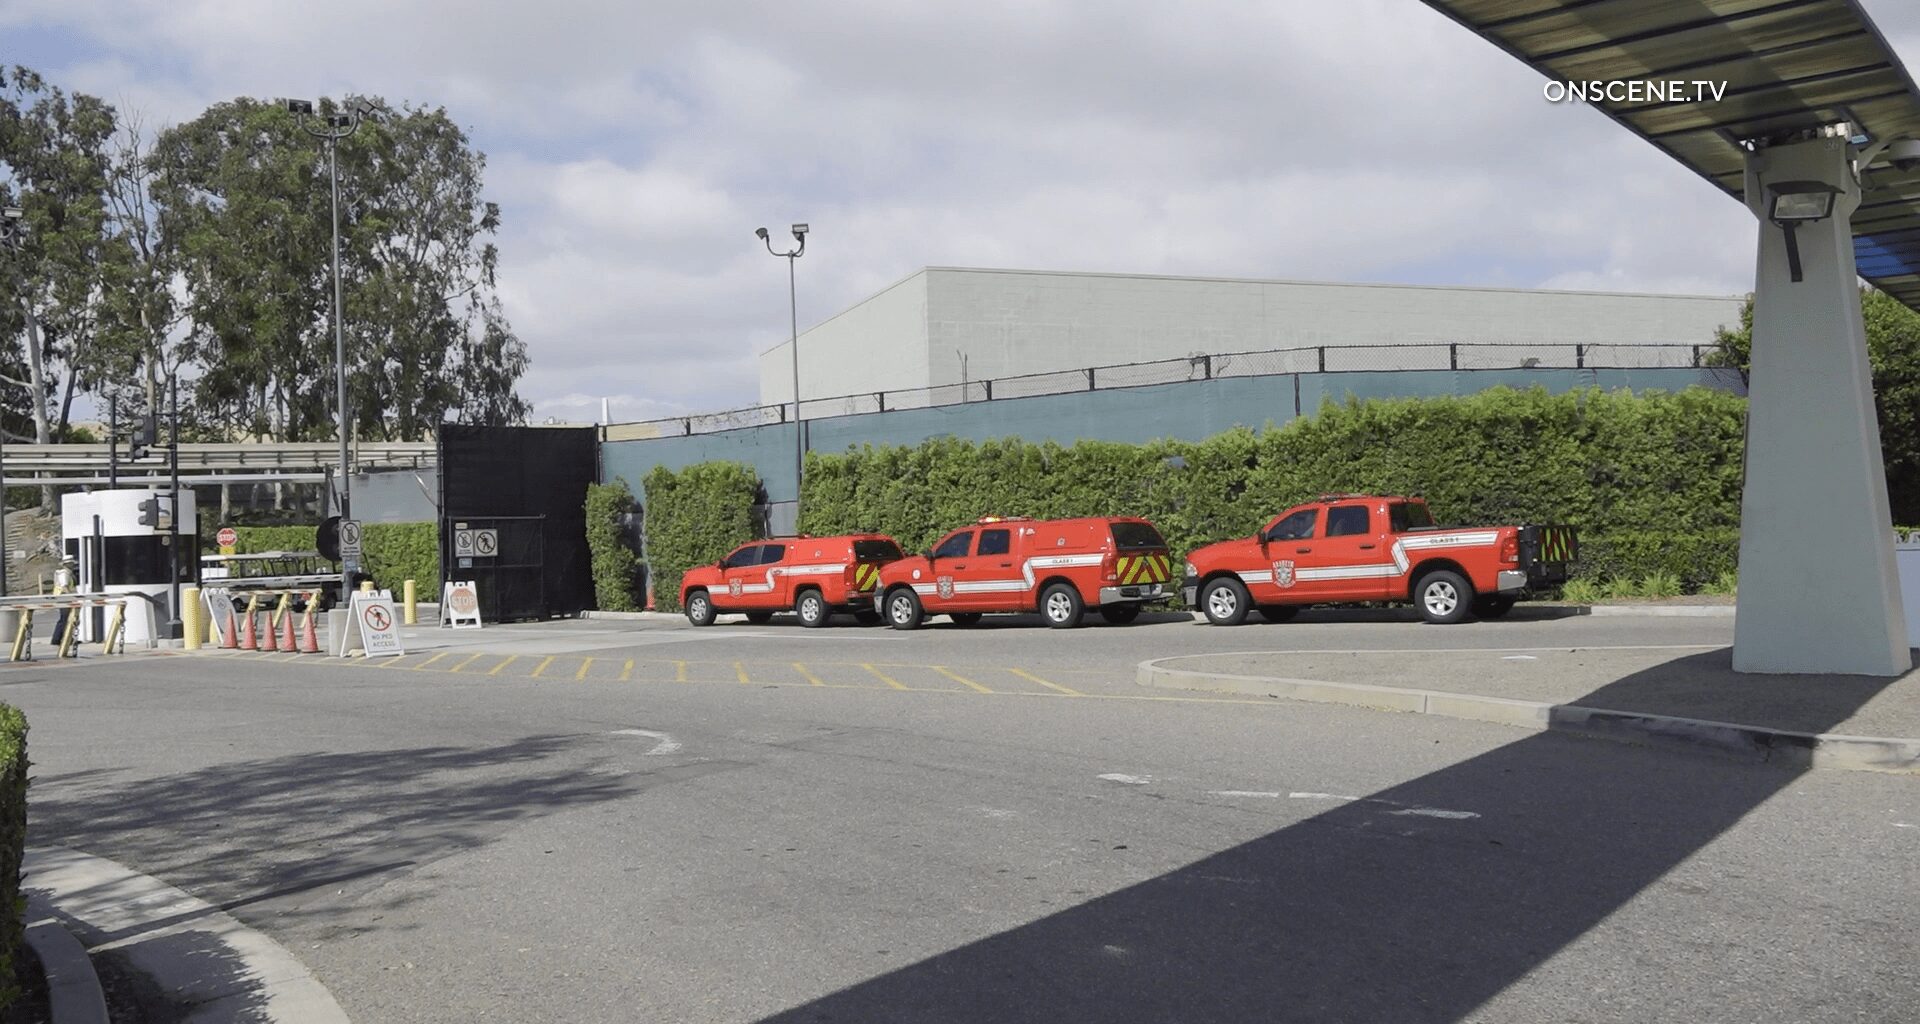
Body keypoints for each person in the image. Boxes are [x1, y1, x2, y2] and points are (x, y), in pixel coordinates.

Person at [51, 556, 76, 657]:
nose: (73, 564)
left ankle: (62, 638)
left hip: (63, 598)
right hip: (64, 598)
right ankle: (58, 639)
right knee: (65, 619)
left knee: (64, 619)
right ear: (66, 564)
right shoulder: (64, 574)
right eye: (71, 563)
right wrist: (72, 596)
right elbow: (64, 586)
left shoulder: (66, 573)